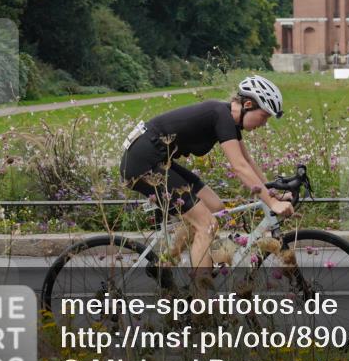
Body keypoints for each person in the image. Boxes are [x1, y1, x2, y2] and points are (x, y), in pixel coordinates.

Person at [119, 75, 293, 270]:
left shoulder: (227, 119)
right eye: (264, 116)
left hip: (157, 161)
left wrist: (271, 192)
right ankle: (201, 296)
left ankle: (166, 263)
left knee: (215, 206)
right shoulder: (220, 115)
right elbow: (238, 167)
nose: (264, 124)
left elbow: (247, 161)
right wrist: (273, 204)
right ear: (248, 104)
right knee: (206, 225)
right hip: (142, 164)